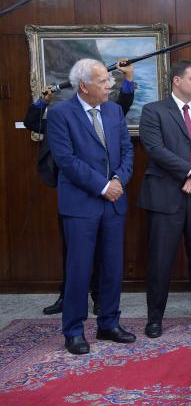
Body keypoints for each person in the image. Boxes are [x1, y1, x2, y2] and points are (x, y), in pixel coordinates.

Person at [25, 61, 136, 316]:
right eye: (103, 81)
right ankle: (74, 330)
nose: (110, 85)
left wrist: (118, 180)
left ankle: (109, 323)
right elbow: (65, 159)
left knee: (112, 267)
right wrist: (103, 186)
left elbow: (126, 150)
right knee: (78, 268)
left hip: (114, 202)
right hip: (80, 202)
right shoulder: (60, 113)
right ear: (84, 86)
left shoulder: (113, 111)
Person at [138, 60, 191, 339]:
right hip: (165, 196)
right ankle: (155, 318)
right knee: (161, 260)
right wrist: (189, 171)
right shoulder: (153, 111)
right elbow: (154, 148)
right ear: (177, 81)